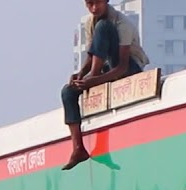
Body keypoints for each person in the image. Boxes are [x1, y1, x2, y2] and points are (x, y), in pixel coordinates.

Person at [62, 0, 148, 170]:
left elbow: (122, 67)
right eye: (89, 4)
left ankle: (93, 76)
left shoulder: (122, 24)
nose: (94, 8)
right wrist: (81, 74)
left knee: (104, 27)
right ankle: (78, 148)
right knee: (67, 92)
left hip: (128, 67)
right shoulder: (90, 22)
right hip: (107, 68)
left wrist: (94, 79)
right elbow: (92, 55)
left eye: (97, 3)